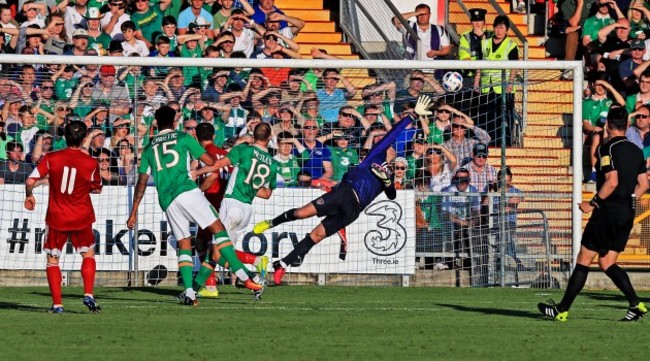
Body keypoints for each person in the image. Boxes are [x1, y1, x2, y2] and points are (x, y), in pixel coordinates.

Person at [252, 95, 434, 285]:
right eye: (391, 149)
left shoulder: (388, 174)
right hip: (344, 192)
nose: (393, 151)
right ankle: (271, 222)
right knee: (301, 213)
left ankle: (281, 264)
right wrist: (412, 116)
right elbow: (392, 134)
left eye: (395, 152)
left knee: (317, 235)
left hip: (354, 210)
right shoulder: (375, 155)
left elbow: (392, 195)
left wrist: (387, 182)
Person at [126, 106, 263, 306]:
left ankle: (190, 292)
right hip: (187, 191)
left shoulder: (148, 148)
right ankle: (244, 275)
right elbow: (207, 159)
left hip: (167, 200)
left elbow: (142, 181)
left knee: (184, 243)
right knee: (218, 229)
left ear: (156, 123)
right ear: (174, 122)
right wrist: (196, 160)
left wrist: (134, 211)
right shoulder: (183, 138)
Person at [538, 106, 649, 322]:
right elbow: (644, 184)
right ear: (627, 125)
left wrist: (593, 203)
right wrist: (628, 199)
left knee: (584, 259)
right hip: (627, 211)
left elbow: (612, 181)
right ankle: (636, 305)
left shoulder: (607, 149)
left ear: (608, 126)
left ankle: (562, 309)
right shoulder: (636, 150)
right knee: (607, 262)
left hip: (608, 211)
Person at [24, 121, 102, 314]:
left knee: (53, 259)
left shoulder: (51, 158)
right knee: (88, 255)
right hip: (81, 215)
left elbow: (30, 180)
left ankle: (58, 304)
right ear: (84, 139)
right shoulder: (91, 163)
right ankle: (88, 293)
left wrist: (29, 195)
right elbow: (97, 188)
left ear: (64, 137)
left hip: (57, 216)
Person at [194, 122, 271, 289]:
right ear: (269, 138)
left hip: (225, 205)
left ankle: (252, 276)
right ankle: (203, 288)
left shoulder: (241, 151)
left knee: (215, 251)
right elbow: (266, 193)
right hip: (246, 209)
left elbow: (215, 170)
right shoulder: (272, 163)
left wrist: (196, 174)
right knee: (217, 249)